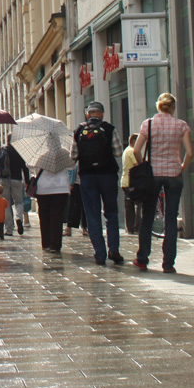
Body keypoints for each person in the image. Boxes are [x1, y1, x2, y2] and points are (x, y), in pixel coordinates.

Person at [131, 93, 192, 273]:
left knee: (147, 216)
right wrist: (181, 167)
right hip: (173, 173)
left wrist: (143, 165)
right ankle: (168, 264)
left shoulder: (148, 124)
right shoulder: (181, 125)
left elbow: (136, 150)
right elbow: (190, 153)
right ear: (172, 107)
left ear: (159, 106)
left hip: (153, 174)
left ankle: (142, 258)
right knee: (171, 219)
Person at [70, 101, 124, 266]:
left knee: (92, 214)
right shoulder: (109, 128)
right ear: (102, 114)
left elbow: (73, 155)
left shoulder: (79, 130)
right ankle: (113, 248)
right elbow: (118, 152)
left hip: (87, 177)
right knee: (111, 212)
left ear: (88, 114)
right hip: (107, 176)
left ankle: (99, 253)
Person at [0, 135, 30, 235]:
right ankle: (19, 218)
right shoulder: (20, 151)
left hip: (4, 179)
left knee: (6, 204)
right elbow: (25, 167)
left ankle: (9, 229)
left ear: (7, 140)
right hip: (17, 179)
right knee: (19, 202)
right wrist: (27, 181)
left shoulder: (3, 151)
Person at [34, 162, 71, 253]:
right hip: (61, 187)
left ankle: (46, 243)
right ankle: (55, 245)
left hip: (43, 188)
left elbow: (29, 165)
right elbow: (72, 166)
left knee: (44, 215)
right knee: (57, 216)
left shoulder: (40, 154)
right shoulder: (63, 153)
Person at [120, 133, 140, 235]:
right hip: (131, 182)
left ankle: (130, 227)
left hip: (125, 181)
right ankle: (136, 226)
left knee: (129, 206)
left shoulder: (126, 150)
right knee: (138, 204)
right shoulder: (132, 151)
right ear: (134, 141)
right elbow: (137, 164)